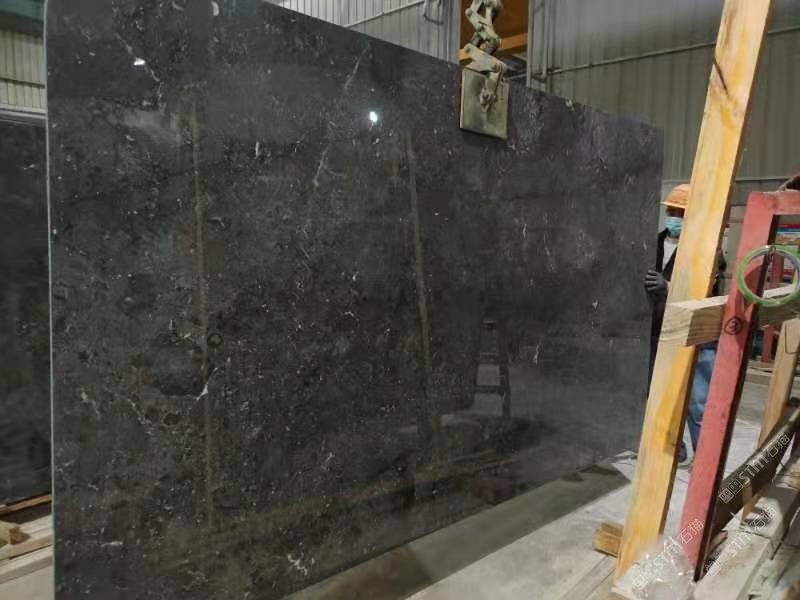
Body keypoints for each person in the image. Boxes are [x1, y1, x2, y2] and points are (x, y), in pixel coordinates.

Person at [644, 184, 725, 466]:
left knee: (698, 402)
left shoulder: (707, 248)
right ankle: (673, 451)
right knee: (659, 395)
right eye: (672, 211)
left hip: (695, 334)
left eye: (681, 213)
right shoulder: (652, 243)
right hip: (659, 332)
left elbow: (706, 289)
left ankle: (704, 462)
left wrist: (669, 287)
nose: (674, 218)